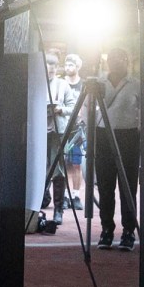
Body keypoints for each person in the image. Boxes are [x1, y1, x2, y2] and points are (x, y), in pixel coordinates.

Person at [94, 47, 144, 250]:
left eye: (120, 58)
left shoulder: (136, 85)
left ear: (127, 61)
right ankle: (106, 230)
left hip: (128, 136)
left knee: (128, 187)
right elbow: (87, 109)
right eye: (111, 58)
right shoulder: (98, 84)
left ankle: (128, 231)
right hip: (103, 135)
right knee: (105, 186)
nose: (115, 62)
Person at [43, 53, 78, 223]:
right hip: (40, 131)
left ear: (57, 68)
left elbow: (73, 106)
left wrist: (61, 109)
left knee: (59, 169)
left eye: (53, 67)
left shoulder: (63, 84)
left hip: (58, 131)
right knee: (40, 168)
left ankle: (59, 209)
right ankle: (40, 202)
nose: (50, 70)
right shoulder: (37, 83)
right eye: (48, 66)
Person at [58, 53, 86, 212]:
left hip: (77, 128)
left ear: (77, 67)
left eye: (71, 65)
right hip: (63, 127)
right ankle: (65, 196)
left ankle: (76, 195)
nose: (68, 68)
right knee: (63, 163)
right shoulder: (61, 84)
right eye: (66, 65)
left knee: (76, 163)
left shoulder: (83, 85)